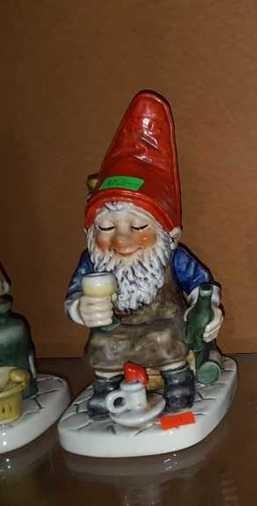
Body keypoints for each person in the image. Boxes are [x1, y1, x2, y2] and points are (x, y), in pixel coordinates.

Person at [65, 91, 223, 419]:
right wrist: (82, 308)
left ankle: (178, 382)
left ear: (169, 235)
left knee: (166, 339)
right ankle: (106, 388)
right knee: (103, 343)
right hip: (116, 330)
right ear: (90, 232)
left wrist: (209, 309)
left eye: (138, 226)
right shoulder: (93, 263)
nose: (122, 240)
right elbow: (75, 295)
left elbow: (201, 285)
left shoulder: (172, 258)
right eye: (106, 227)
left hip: (166, 325)